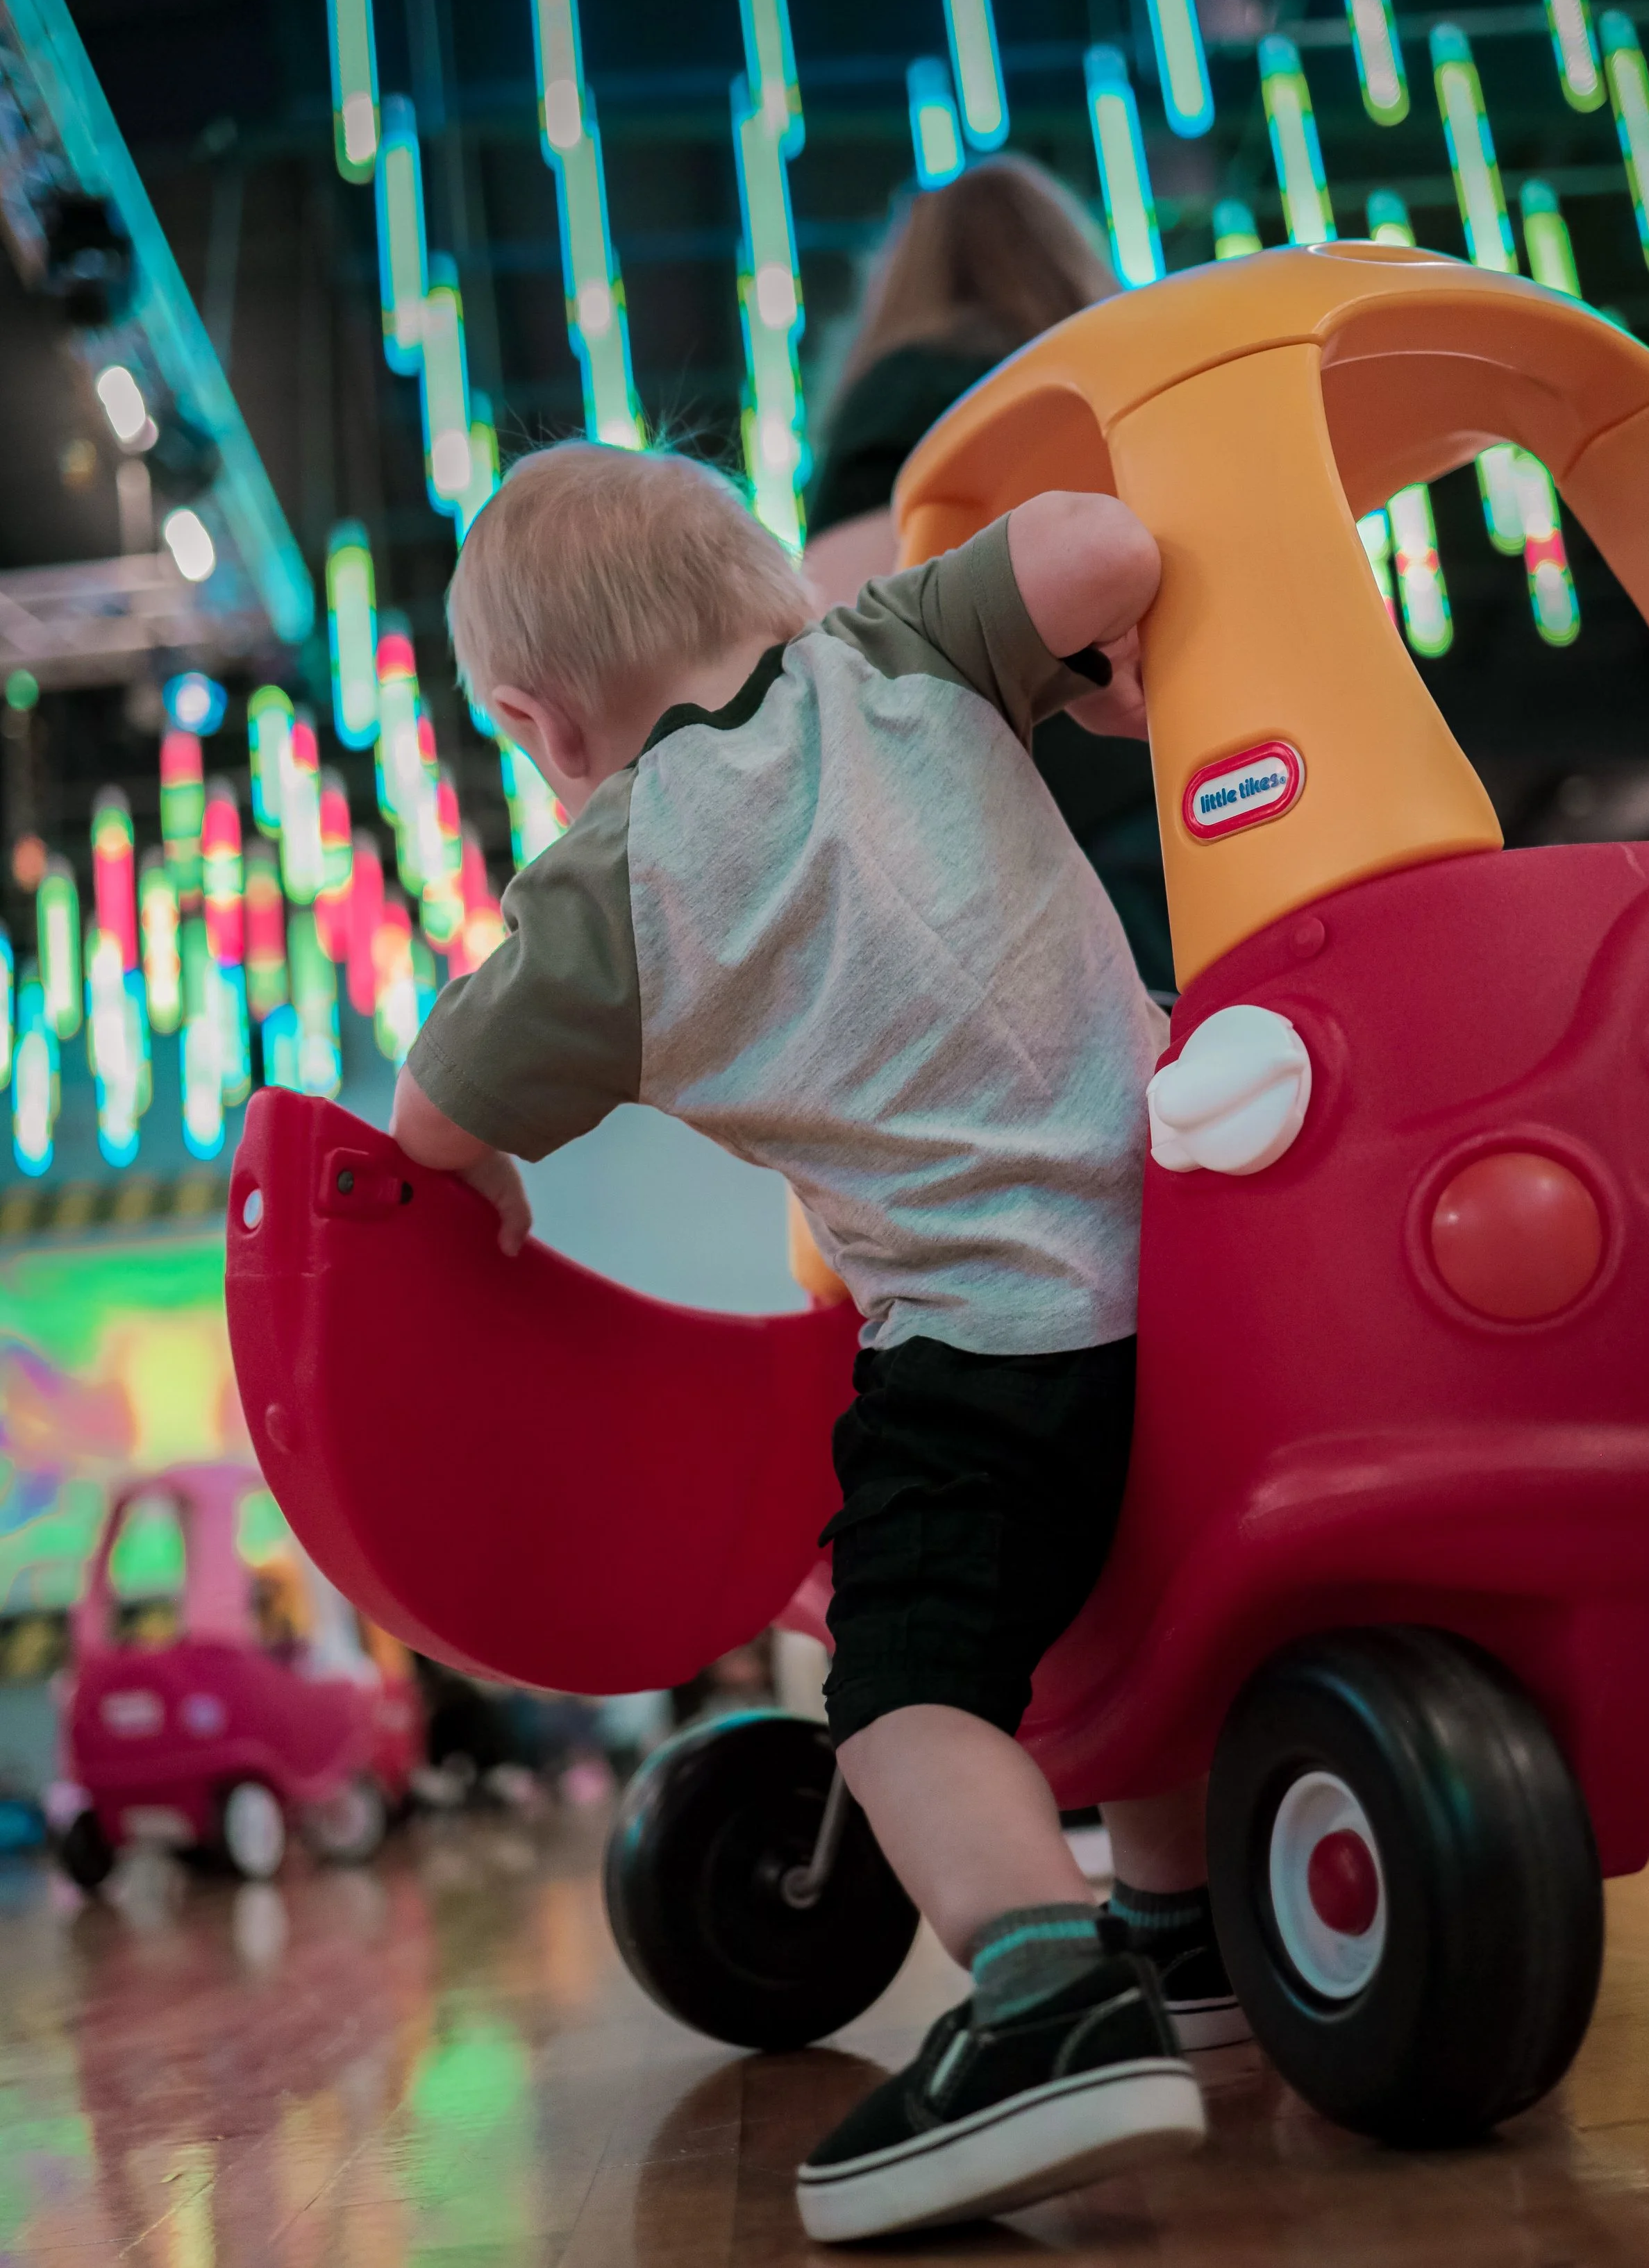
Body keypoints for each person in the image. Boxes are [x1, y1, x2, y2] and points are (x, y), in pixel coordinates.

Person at [389, 439, 1214, 2244]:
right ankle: (1197, 1930)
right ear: (758, 579)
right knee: (1146, 1595)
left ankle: (1045, 1994)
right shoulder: (895, 646)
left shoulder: (608, 883)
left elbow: (432, 1103)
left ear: (537, 723)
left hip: (989, 1337)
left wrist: (491, 1172)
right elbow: (1098, 539)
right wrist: (1090, 669)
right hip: (1214, 1258)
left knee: (906, 1682)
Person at [805, 153, 1175, 993]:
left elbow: (845, 644)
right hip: (1205, 800)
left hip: (1028, 842)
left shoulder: (901, 394)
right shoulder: (1137, 385)